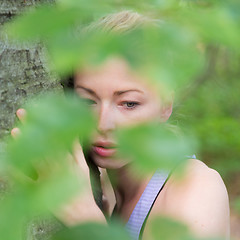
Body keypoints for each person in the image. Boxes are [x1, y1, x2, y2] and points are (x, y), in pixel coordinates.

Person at [11, 11, 230, 240]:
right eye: (87, 101)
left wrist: (86, 217)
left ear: (165, 106)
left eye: (129, 103)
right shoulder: (107, 196)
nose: (103, 124)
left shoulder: (197, 188)